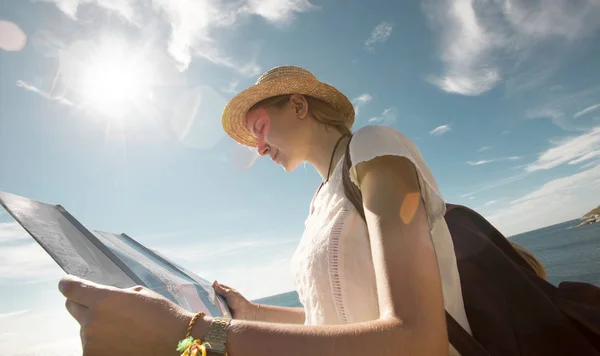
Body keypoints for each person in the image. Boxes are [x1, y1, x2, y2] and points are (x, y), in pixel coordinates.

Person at [57, 65, 541, 356]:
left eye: (261, 127)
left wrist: (194, 334)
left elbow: (416, 341)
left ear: (298, 104)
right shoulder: (318, 207)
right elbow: (331, 316)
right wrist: (253, 311)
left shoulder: (373, 149)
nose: (258, 147)